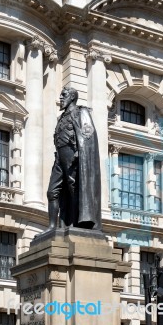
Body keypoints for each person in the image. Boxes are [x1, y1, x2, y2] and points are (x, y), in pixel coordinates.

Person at [45, 86, 101, 231]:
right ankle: (52, 226)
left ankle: (77, 223)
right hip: (59, 157)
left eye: (64, 95)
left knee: (74, 190)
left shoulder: (81, 112)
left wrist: (81, 154)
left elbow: (88, 135)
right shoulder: (61, 117)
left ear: (72, 97)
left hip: (74, 157)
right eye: (61, 95)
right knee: (52, 191)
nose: (61, 98)